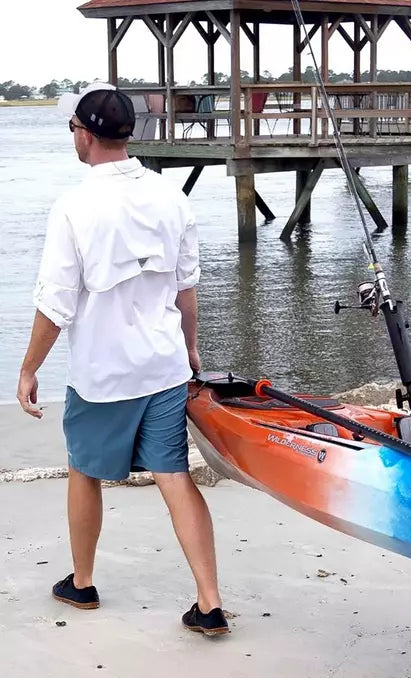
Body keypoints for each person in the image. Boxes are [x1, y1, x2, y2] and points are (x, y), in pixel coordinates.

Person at [16, 83, 228, 637]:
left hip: (103, 373)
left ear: (84, 133)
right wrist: (190, 346)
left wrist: (29, 368)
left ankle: (82, 582)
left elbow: (55, 304)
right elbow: (187, 286)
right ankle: (209, 602)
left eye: (73, 129)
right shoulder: (171, 196)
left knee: (84, 469)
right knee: (174, 475)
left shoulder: (74, 206)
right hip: (162, 365)